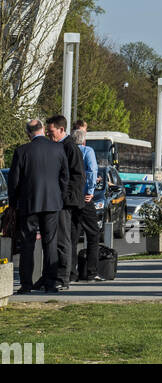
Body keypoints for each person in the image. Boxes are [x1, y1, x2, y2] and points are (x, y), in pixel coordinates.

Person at [8, 118, 69, 294]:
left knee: (27, 244)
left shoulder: (22, 151)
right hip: (52, 203)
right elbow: (64, 177)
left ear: (28, 133)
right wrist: (60, 197)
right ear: (43, 129)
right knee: (50, 243)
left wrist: (14, 204)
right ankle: (50, 283)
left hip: (29, 203)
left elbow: (14, 181)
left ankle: (26, 284)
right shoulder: (58, 149)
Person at [45, 115, 86, 290]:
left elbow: (78, 176)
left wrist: (64, 197)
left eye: (51, 131)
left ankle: (63, 278)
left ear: (61, 129)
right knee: (54, 239)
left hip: (64, 201)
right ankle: (50, 275)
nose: (48, 134)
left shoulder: (69, 147)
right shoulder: (58, 146)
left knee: (63, 239)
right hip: (56, 199)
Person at [69, 127, 100, 282]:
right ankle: (91, 271)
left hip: (70, 198)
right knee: (93, 235)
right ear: (84, 140)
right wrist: (90, 190)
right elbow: (92, 171)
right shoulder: (88, 151)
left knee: (72, 236)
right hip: (84, 198)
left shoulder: (67, 151)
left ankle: (71, 272)